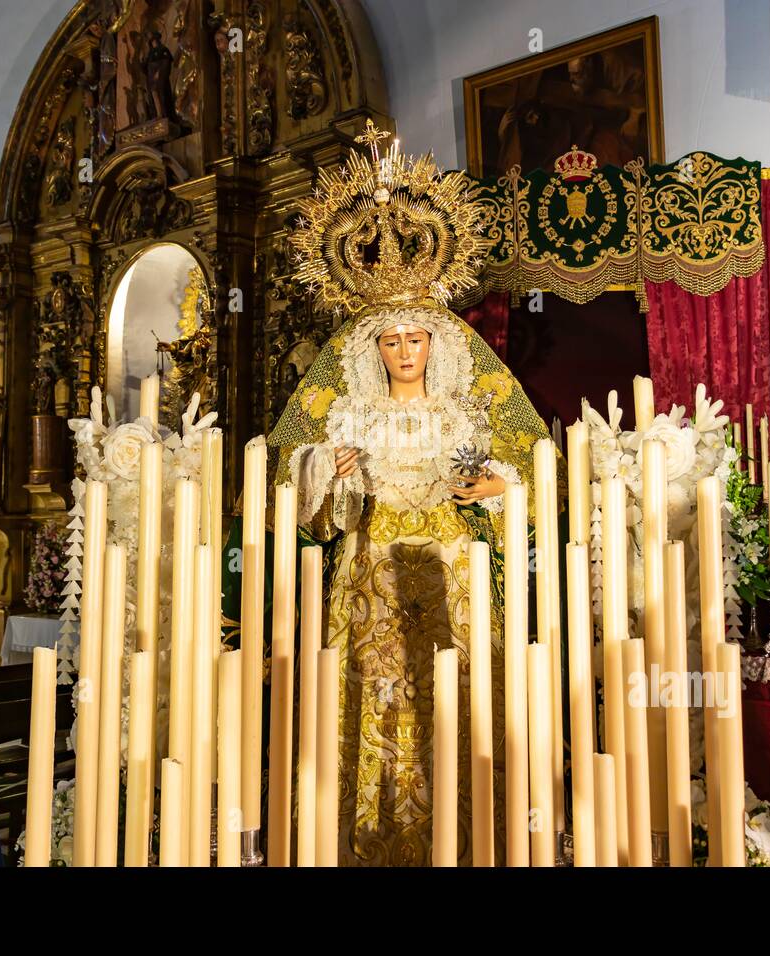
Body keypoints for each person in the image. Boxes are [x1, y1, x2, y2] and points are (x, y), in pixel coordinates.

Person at [271, 126, 565, 862]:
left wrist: (496, 487)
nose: (405, 352)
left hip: (452, 573)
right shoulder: (352, 409)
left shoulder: (465, 407)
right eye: (391, 342)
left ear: (437, 342)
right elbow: (284, 469)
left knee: (454, 697)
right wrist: (323, 471)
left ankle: (464, 841)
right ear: (374, 350)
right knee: (374, 693)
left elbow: (529, 461)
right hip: (369, 565)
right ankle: (368, 841)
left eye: (416, 339)